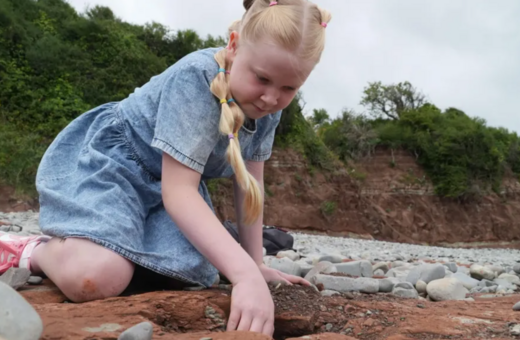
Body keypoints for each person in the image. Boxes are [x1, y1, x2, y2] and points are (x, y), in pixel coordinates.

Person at [0, 0, 331, 336]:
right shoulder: (197, 79)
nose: (271, 98)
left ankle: (104, 240)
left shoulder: (268, 108)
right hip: (114, 166)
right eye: (261, 78)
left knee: (191, 271)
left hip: (165, 187)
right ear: (234, 45)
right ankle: (31, 250)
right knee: (97, 277)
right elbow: (179, 191)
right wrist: (244, 274)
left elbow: (249, 188)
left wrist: (255, 264)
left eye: (289, 88)